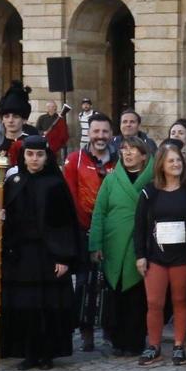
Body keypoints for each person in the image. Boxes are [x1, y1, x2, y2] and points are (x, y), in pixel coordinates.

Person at [0, 135, 81, 369]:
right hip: (21, 256)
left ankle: (47, 354)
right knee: (25, 307)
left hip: (48, 255)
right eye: (30, 154)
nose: (34, 159)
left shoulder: (55, 184)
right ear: (23, 156)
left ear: (46, 157)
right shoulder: (13, 182)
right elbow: (7, 218)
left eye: (39, 155)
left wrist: (63, 257)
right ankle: (28, 353)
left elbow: (64, 224)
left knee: (47, 308)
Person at [134, 140, 186, 366]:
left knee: (180, 299)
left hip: (182, 255)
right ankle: (154, 346)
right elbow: (140, 225)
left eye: (179, 160)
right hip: (155, 256)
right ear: (161, 164)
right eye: (171, 160)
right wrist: (140, 255)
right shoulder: (150, 191)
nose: (176, 164)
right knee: (154, 302)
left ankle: (179, 345)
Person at [88, 132, 152, 357]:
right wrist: (95, 244)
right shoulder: (112, 179)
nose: (127, 153)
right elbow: (100, 211)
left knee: (137, 297)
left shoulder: (153, 178)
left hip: (141, 244)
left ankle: (135, 340)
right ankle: (117, 340)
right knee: (116, 295)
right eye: (124, 149)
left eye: (133, 149)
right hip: (113, 243)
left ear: (144, 156)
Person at [64, 114, 116, 353]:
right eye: (96, 131)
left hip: (113, 233)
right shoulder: (75, 160)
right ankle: (86, 331)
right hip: (84, 230)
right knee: (84, 283)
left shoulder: (119, 161)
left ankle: (109, 328)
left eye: (105, 132)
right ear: (89, 133)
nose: (101, 137)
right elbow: (70, 195)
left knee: (110, 282)